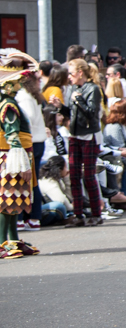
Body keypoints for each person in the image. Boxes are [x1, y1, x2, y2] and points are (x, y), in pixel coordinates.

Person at [0, 49, 39, 258]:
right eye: (17, 80)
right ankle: (2, 242)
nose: (19, 84)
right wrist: (21, 160)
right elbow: (12, 135)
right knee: (7, 200)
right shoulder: (8, 104)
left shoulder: (9, 102)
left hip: (12, 153)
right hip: (10, 154)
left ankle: (12, 238)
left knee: (14, 200)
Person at [64, 58, 104, 227]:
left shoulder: (93, 89)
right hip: (74, 134)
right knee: (73, 175)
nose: (69, 77)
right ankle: (78, 214)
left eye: (71, 73)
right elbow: (72, 113)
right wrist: (60, 107)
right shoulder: (73, 88)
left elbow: (91, 113)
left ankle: (96, 213)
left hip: (88, 135)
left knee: (88, 175)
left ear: (80, 73)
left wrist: (78, 101)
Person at [15, 73, 46, 231]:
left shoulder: (24, 96)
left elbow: (29, 118)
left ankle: (22, 218)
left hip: (30, 142)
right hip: (37, 142)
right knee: (32, 181)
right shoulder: (33, 95)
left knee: (23, 180)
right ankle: (33, 218)